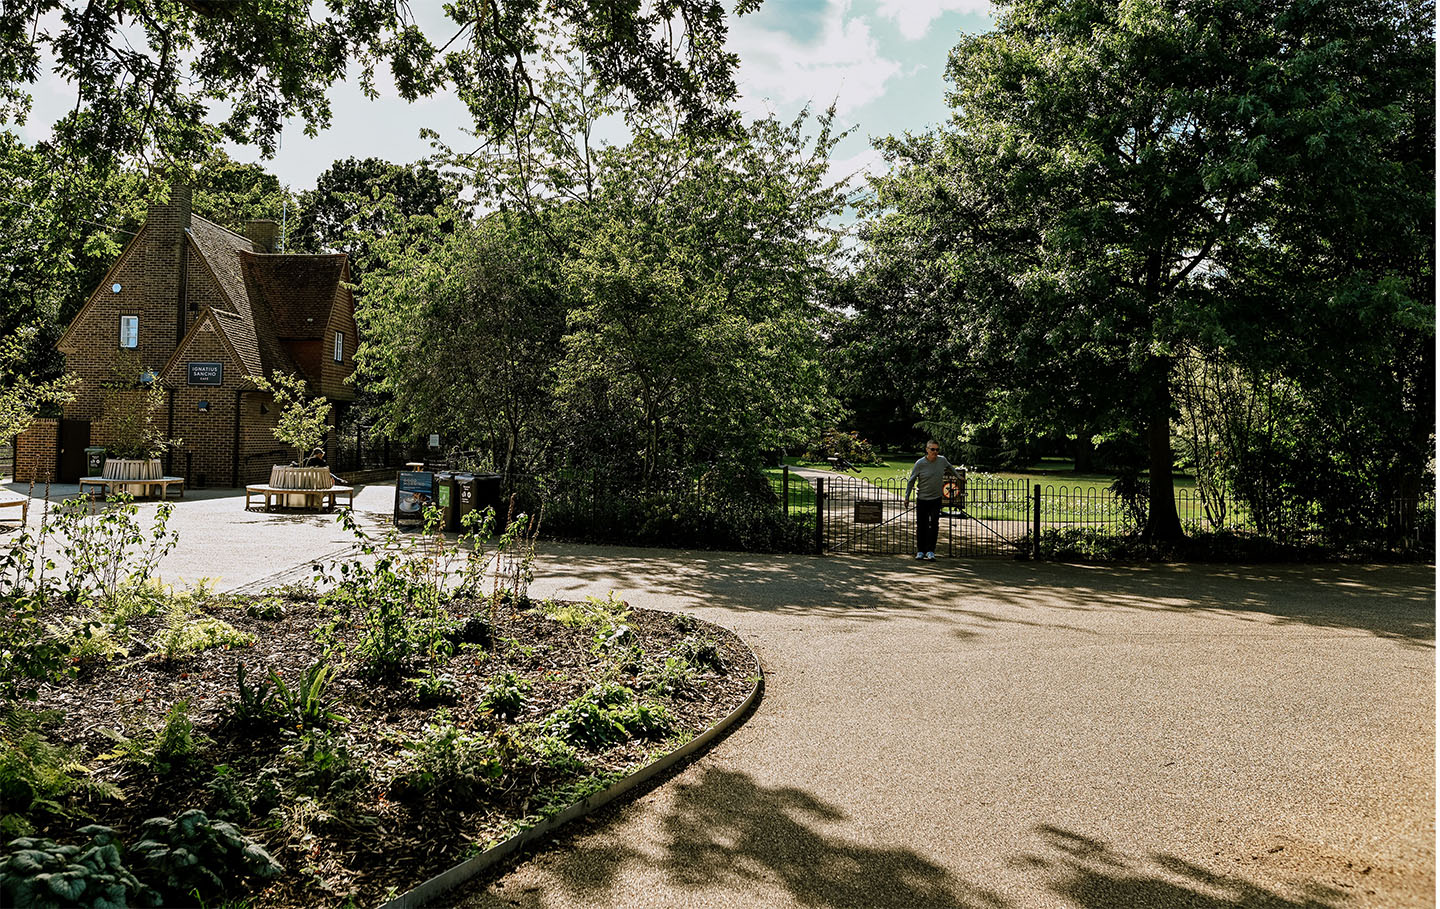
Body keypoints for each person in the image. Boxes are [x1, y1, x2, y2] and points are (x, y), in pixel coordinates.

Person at [904, 440, 958, 561]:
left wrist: (959, 477)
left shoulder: (942, 460)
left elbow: (950, 467)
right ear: (927, 450)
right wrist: (907, 497)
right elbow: (911, 480)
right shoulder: (920, 463)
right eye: (932, 449)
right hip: (922, 498)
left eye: (937, 450)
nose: (935, 452)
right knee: (921, 525)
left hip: (936, 499)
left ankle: (930, 551)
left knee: (934, 525)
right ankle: (920, 551)